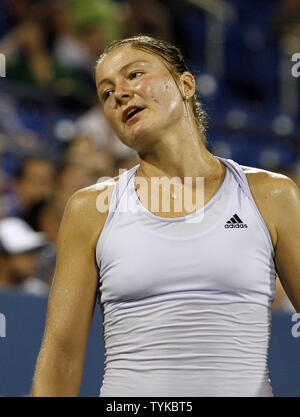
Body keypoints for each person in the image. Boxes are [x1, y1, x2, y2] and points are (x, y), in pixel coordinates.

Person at [32, 36, 300, 397]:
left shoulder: (272, 195)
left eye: (134, 74)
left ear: (185, 84)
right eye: (107, 93)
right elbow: (60, 355)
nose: (120, 94)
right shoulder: (90, 209)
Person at [0, 217, 49, 296]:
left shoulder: (40, 293)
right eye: (26, 253)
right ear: (2, 259)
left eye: (34, 252)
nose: (35, 260)